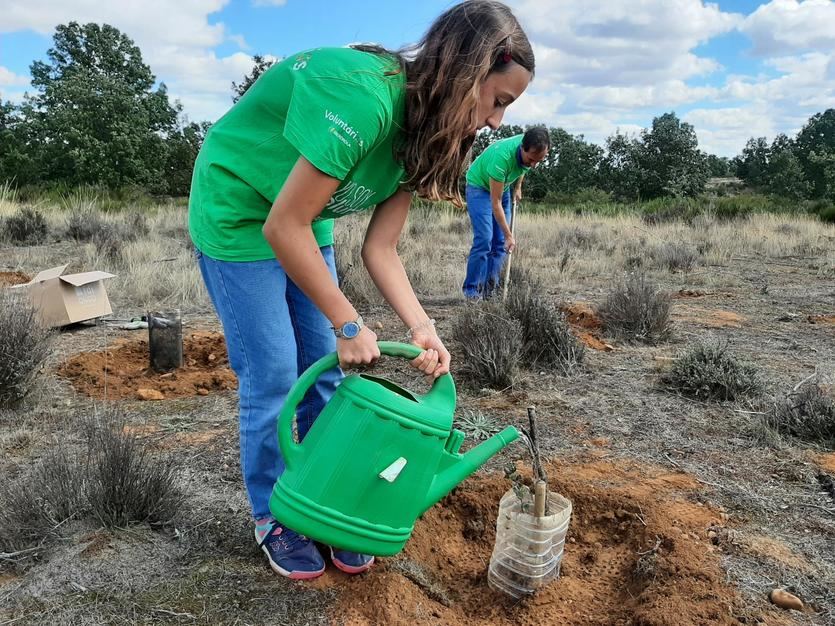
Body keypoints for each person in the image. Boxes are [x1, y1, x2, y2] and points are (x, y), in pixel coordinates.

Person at [188, 0, 535, 580]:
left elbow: (381, 249)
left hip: (303, 217)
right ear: (466, 69)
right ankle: (276, 514)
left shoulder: (425, 129)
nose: (498, 122)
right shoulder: (364, 97)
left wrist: (422, 329)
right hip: (241, 211)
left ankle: (331, 498)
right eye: (498, 100)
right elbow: (281, 225)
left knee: (324, 371)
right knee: (274, 373)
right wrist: (349, 323)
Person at [462, 126, 550, 299]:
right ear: (522, 148)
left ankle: (490, 292)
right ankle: (471, 292)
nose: (533, 165)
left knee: (501, 244)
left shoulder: (531, 150)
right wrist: (509, 234)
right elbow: (495, 203)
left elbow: (523, 169)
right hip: (480, 187)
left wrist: (518, 187)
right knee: (485, 240)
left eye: (538, 161)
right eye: (531, 159)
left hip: (504, 187)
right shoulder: (502, 158)